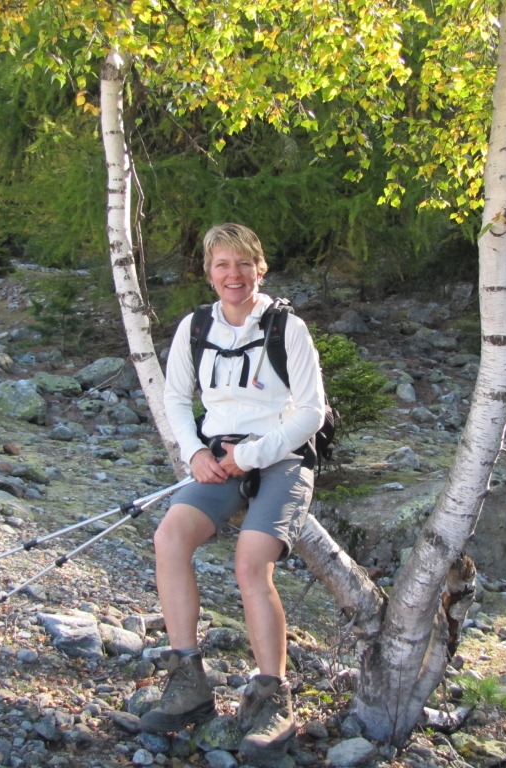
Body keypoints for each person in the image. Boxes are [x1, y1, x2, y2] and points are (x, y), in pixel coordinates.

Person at [139, 223, 325, 759]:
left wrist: (249, 456)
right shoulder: (195, 327)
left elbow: (311, 413)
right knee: (170, 537)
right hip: (218, 460)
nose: (234, 274)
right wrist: (195, 453)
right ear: (210, 273)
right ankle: (188, 683)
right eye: (223, 264)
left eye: (244, 263)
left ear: (260, 269)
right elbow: (176, 398)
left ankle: (272, 698)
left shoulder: (288, 328)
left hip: (283, 459)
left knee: (250, 563)